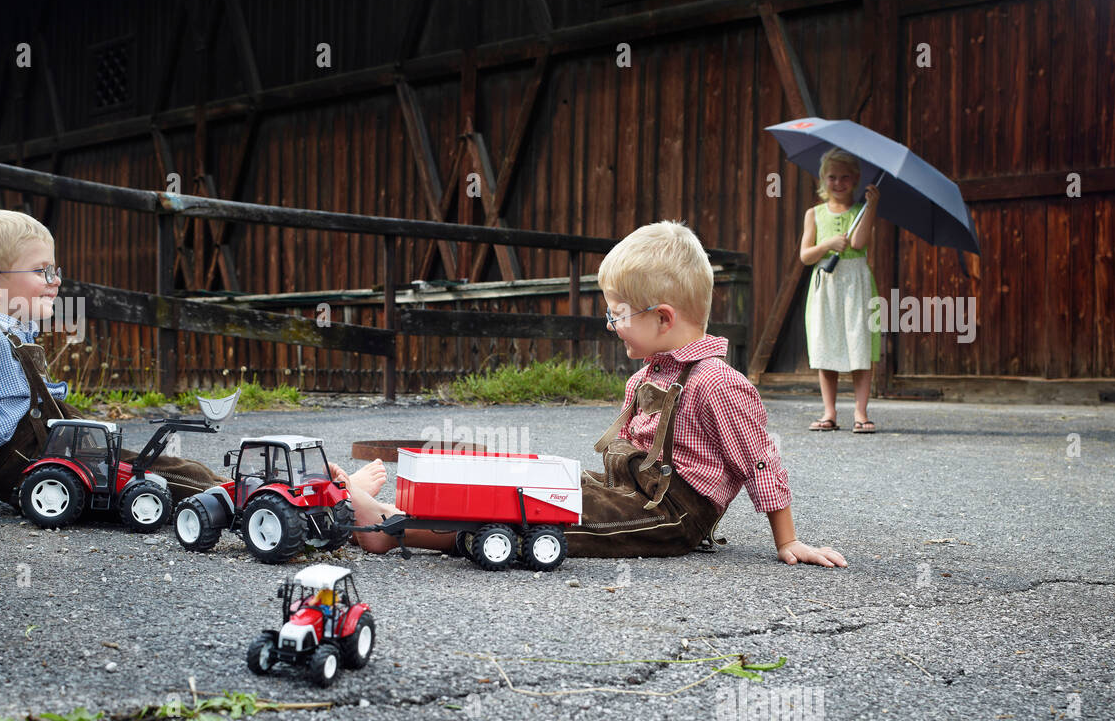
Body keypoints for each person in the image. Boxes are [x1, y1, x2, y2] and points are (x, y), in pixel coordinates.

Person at [0, 209, 387, 518]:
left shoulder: (4, 336)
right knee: (176, 485)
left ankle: (318, 486)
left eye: (54, 270)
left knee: (174, 466)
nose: (55, 281)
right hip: (37, 468)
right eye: (41, 272)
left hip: (53, 445)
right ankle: (335, 503)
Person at [351, 221, 846, 567]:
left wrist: (789, 540)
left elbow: (760, 462)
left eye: (619, 314)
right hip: (630, 492)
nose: (611, 325)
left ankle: (392, 530)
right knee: (536, 482)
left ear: (664, 317)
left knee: (543, 523)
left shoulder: (719, 383)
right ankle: (408, 504)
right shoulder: (644, 377)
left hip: (671, 517)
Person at [799, 148, 881, 433]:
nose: (838, 182)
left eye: (845, 177)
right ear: (823, 179)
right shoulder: (814, 214)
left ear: (855, 179)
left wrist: (870, 207)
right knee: (826, 342)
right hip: (827, 283)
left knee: (860, 342)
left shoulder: (861, 212)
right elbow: (806, 256)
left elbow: (859, 243)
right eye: (832, 177)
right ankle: (829, 411)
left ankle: (860, 411)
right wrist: (827, 245)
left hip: (855, 282)